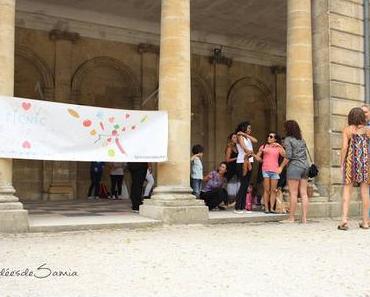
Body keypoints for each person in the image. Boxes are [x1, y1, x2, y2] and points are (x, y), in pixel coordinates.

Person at [338, 107, 370, 230]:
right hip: (365, 162)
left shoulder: (347, 130)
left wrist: (342, 163)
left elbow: (344, 148)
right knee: (365, 193)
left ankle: (344, 220)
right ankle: (365, 222)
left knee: (347, 191)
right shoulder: (367, 130)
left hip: (351, 162)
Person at [281, 120, 310, 223]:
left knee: (293, 193)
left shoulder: (288, 140)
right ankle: (304, 218)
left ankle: (291, 218)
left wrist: (281, 167)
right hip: (305, 166)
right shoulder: (302, 140)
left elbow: (289, 156)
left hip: (294, 167)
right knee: (304, 193)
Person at [254, 132, 287, 213]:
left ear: (275, 139)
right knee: (266, 190)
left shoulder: (278, 147)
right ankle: (266, 208)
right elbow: (257, 158)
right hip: (265, 169)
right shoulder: (264, 146)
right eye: (268, 136)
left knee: (273, 190)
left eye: (271, 136)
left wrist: (280, 146)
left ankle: (272, 208)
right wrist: (258, 153)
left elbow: (286, 156)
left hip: (275, 170)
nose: (269, 137)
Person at [234, 121, 257, 214]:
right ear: (244, 128)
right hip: (242, 161)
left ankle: (243, 206)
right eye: (248, 128)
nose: (250, 130)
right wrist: (252, 153)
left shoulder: (246, 137)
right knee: (243, 184)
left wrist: (245, 134)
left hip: (250, 161)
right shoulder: (239, 137)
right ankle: (237, 207)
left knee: (246, 184)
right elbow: (244, 149)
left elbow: (255, 140)